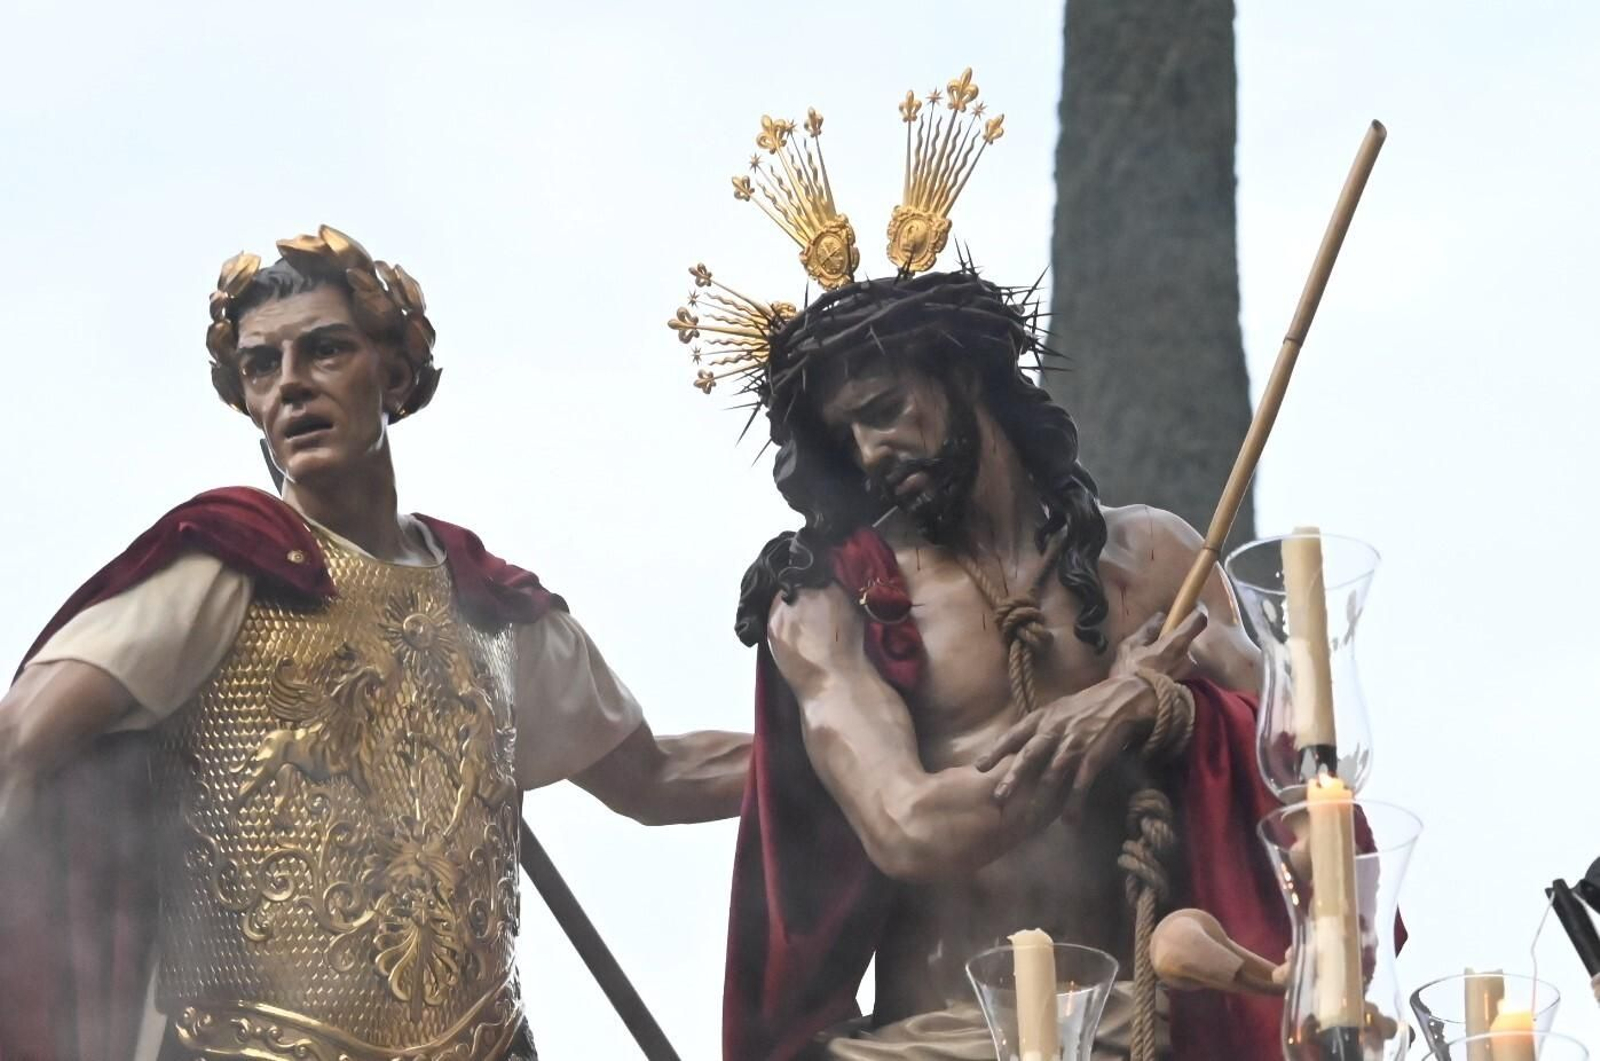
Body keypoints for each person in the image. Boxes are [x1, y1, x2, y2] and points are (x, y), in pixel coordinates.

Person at [0, 226, 748, 1061]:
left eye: (324, 350)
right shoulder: (224, 567)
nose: (291, 383)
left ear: (393, 374)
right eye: (261, 365)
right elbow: (19, 743)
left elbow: (656, 776)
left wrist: (837, 743)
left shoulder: (493, 608)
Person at [669, 71, 1290, 1059]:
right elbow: (909, 825)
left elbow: (1291, 757)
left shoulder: (1154, 556)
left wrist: (1170, 703)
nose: (872, 452)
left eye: (884, 409)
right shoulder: (831, 603)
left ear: (962, 373)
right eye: (847, 436)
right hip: (939, 1037)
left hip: (1135, 1028)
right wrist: (1102, 710)